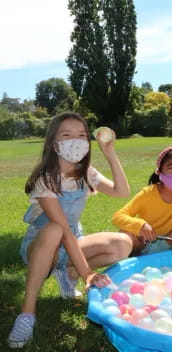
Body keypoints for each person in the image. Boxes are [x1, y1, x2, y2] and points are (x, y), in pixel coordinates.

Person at [8, 113, 131, 348]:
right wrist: (90, 274)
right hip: (44, 245)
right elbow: (62, 229)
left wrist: (109, 153)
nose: (76, 140)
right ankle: (27, 314)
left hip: (73, 240)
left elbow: (122, 191)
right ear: (54, 144)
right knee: (55, 229)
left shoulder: (86, 173)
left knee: (122, 243)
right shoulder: (46, 179)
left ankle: (68, 275)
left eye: (82, 135)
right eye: (67, 135)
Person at [112, 146, 172, 255]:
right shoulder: (148, 193)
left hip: (170, 241)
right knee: (125, 232)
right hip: (143, 244)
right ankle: (138, 260)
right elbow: (118, 216)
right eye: (171, 168)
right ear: (159, 171)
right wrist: (140, 225)